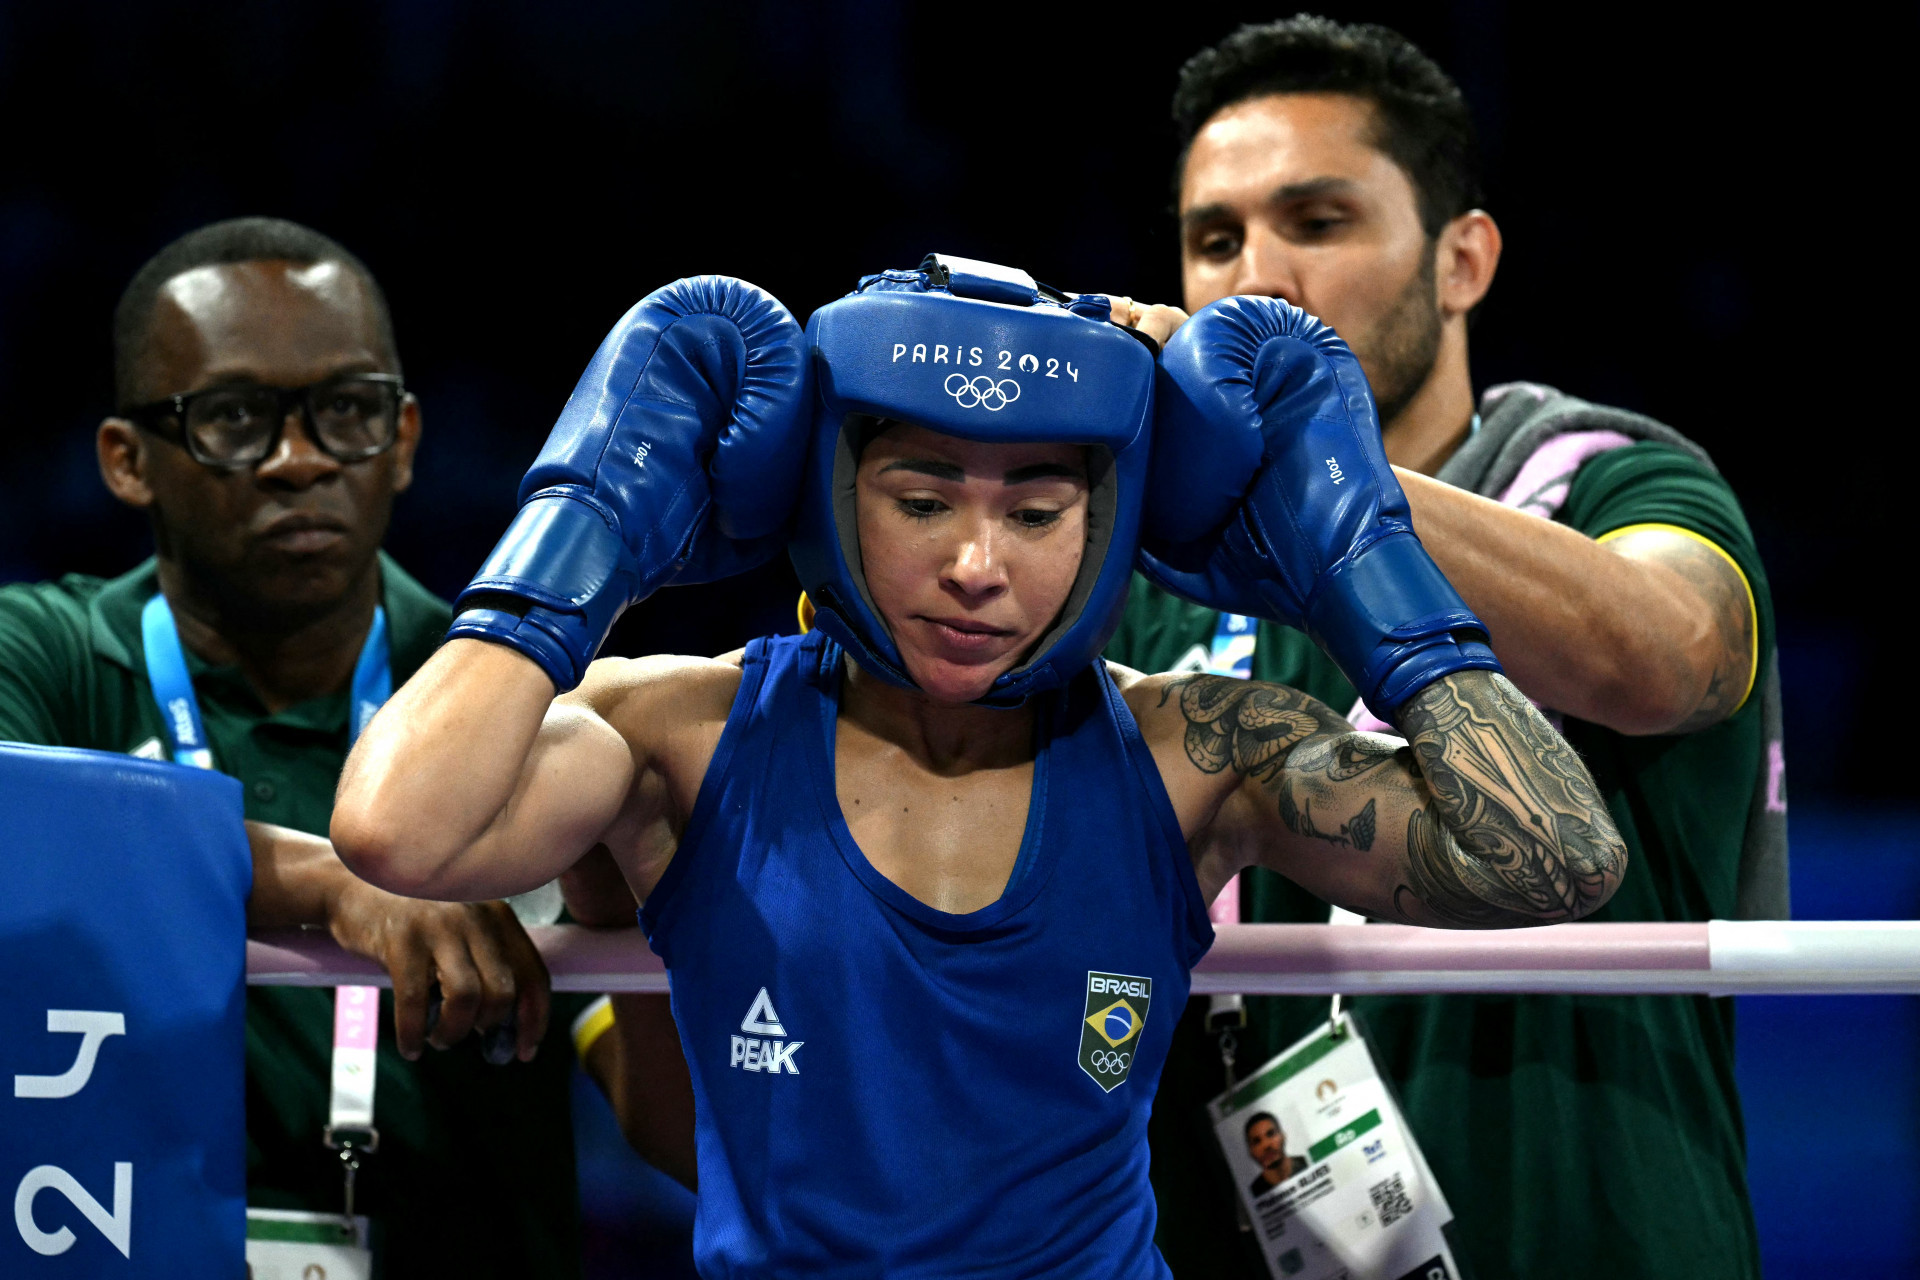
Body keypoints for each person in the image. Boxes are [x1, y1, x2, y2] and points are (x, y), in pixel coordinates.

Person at [331, 255, 1626, 1277]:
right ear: (829, 497)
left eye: (1036, 511)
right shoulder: (688, 731)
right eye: (922, 497)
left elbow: (1560, 857)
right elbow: (397, 830)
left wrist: (1359, 567)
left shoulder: (1197, 750)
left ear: (1112, 519)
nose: (976, 565)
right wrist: (590, 527)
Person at [1108, 18, 1779, 1280]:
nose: (1257, 279)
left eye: (1317, 221)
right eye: (1215, 239)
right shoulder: (1150, 577)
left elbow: (1672, 653)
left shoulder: (1612, 484)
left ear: (1463, 259)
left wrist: (1322, 481)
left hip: (1601, 1241)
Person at [0, 216, 637, 1275]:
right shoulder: (51, 653)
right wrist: (344, 884)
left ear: (404, 439)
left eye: (346, 410)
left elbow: (667, 1129)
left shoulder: (524, 703)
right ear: (126, 460)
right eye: (236, 417)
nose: (298, 460)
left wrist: (636, 860)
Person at [1243, 1113, 1307, 1196]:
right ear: (1251, 1152)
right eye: (1257, 1141)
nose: (1266, 1145)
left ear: (1283, 1136)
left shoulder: (1308, 1162)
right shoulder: (1253, 1193)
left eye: (1271, 1134)